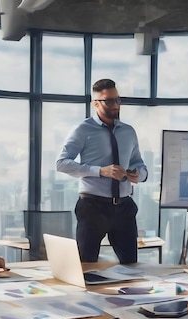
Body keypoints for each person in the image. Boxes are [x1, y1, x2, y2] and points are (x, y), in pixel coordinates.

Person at [56, 78, 147, 263]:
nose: (116, 105)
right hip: (93, 208)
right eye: (109, 101)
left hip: (124, 208)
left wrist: (138, 174)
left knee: (131, 266)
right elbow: (62, 163)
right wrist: (100, 171)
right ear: (95, 103)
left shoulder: (128, 131)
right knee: (86, 267)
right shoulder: (82, 129)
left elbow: (140, 164)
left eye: (118, 99)